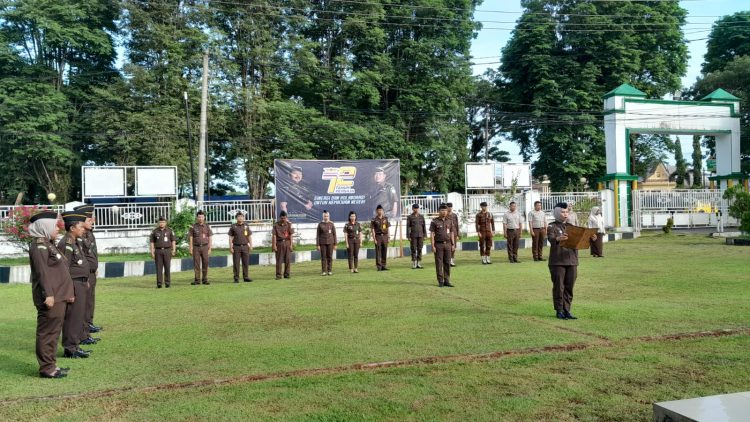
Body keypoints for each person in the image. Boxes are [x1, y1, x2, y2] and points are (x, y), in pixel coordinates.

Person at [28, 210, 75, 378]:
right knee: (47, 333)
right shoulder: (39, 245)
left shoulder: (48, 244)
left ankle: (51, 365)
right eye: (54, 225)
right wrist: (48, 294)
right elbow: (43, 273)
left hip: (59, 296)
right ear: (45, 227)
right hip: (51, 297)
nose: (58, 229)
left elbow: (60, 270)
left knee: (54, 333)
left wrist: (68, 292)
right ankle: (47, 369)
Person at [547, 202, 595, 320]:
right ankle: (559, 310)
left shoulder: (572, 227)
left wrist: (590, 238)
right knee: (559, 287)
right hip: (557, 261)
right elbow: (551, 238)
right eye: (562, 212)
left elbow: (581, 241)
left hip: (572, 261)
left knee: (569, 287)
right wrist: (558, 238)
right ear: (557, 213)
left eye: (567, 212)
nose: (565, 214)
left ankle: (567, 310)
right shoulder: (552, 226)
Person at [59, 211, 92, 359]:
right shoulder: (67, 243)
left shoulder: (75, 242)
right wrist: (69, 289)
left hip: (81, 283)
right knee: (72, 317)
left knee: (78, 316)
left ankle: (75, 345)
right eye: (80, 226)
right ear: (72, 228)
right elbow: (64, 268)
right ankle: (70, 348)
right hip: (73, 284)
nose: (83, 228)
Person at [73, 203, 101, 345]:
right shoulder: (78, 237)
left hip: (90, 272)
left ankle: (87, 326)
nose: (93, 221)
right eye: (89, 219)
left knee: (89, 301)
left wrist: (95, 266)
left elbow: (92, 253)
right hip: (84, 274)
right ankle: (83, 332)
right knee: (83, 304)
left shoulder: (89, 234)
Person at [430, 204, 455, 287]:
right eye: (442, 210)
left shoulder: (449, 221)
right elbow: (432, 234)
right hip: (438, 245)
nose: (444, 212)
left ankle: (447, 280)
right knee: (439, 263)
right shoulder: (434, 221)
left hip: (448, 244)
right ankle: (440, 281)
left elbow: (451, 233)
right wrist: (433, 246)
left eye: (445, 210)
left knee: (447, 262)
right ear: (439, 211)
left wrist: (453, 244)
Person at [149, 216, 176, 288]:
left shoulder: (170, 231)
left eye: (163, 222)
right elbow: (152, 242)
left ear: (166, 223)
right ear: (158, 223)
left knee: (167, 267)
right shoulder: (154, 231)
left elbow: (173, 241)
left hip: (167, 250)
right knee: (159, 268)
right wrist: (152, 251)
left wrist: (174, 250)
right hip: (158, 251)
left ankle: (167, 283)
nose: (161, 223)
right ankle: (159, 283)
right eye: (160, 222)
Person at [188, 210, 213, 285]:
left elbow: (210, 237)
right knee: (196, 264)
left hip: (205, 247)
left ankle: (205, 279)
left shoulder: (207, 226)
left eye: (202, 217)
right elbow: (191, 238)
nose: (200, 218)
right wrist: (190, 248)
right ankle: (197, 280)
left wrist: (210, 248)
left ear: (204, 217)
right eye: (199, 217)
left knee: (205, 263)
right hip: (196, 248)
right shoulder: (193, 226)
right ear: (197, 218)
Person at [228, 212, 253, 283]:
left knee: (246, 262)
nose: (240, 218)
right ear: (236, 218)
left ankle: (246, 277)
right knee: (236, 263)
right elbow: (230, 238)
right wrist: (230, 247)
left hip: (245, 246)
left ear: (243, 218)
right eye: (239, 217)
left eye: (242, 216)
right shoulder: (233, 226)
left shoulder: (246, 226)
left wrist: (251, 245)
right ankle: (236, 278)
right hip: (236, 247)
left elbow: (249, 236)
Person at [272, 211, 294, 279]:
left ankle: (287, 274)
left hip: (287, 243)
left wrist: (291, 245)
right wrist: (274, 245)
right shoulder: (276, 225)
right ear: (279, 218)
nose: (283, 219)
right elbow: (274, 236)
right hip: (279, 243)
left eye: (284, 218)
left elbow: (291, 235)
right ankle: (278, 275)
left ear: (286, 218)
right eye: (282, 218)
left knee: (288, 260)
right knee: (279, 260)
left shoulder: (289, 224)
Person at [316, 210, 337, 276]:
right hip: (322, 243)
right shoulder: (320, 224)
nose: (326, 217)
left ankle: (329, 270)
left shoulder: (331, 224)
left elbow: (334, 234)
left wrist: (335, 244)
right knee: (323, 257)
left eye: (327, 216)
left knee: (330, 257)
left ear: (329, 216)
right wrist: (318, 244)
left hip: (330, 242)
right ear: (323, 216)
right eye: (325, 216)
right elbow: (318, 235)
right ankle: (324, 271)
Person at [406, 203, 426, 269]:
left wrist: (425, 235)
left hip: (420, 235)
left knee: (420, 249)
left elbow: (424, 226)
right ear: (412, 209)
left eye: (417, 208)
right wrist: (408, 236)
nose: (416, 209)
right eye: (415, 208)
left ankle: (419, 263)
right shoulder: (410, 217)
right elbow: (408, 227)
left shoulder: (421, 216)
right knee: (413, 249)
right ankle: (414, 262)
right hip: (413, 235)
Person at [371, 204, 390, 271]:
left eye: (381, 210)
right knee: (378, 251)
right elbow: (372, 229)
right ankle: (379, 266)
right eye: (378, 210)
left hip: (385, 236)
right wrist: (374, 239)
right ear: (376, 211)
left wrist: (389, 237)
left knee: (384, 251)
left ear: (383, 211)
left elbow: (387, 228)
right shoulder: (374, 219)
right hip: (378, 236)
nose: (380, 211)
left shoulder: (386, 218)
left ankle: (383, 265)